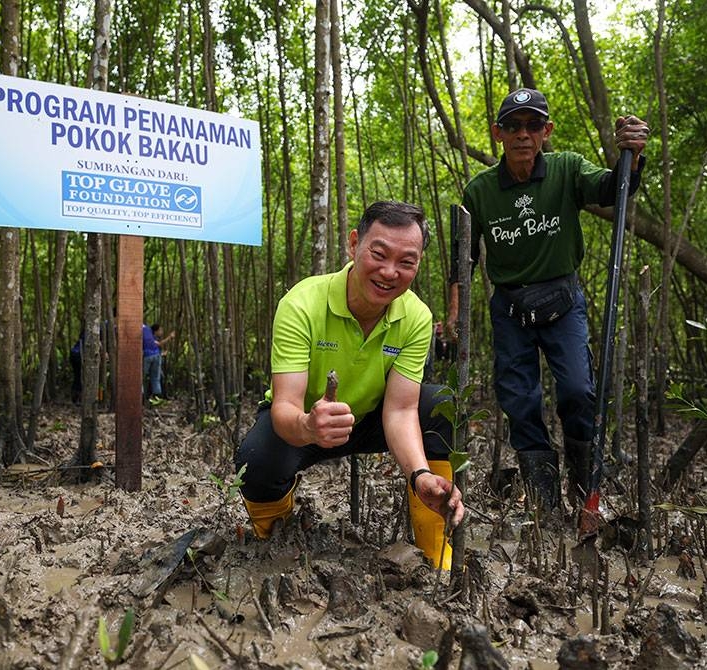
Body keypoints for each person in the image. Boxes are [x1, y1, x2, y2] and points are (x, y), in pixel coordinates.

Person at [234, 200, 465, 569]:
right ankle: (275, 542)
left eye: (406, 262)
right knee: (256, 459)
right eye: (379, 254)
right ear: (353, 244)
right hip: (304, 423)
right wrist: (310, 425)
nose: (389, 272)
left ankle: (437, 552)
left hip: (373, 418)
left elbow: (402, 410)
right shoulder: (302, 303)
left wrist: (419, 474)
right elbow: (285, 407)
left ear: (418, 263)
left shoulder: (417, 316)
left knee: (440, 404)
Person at [447, 88, 649, 511]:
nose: (523, 134)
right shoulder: (479, 191)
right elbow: (461, 259)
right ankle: (545, 505)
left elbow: (612, 188)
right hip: (510, 307)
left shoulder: (567, 169)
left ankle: (582, 486)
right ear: (497, 133)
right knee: (520, 403)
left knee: (577, 390)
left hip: (563, 301)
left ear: (547, 131)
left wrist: (632, 155)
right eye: (513, 126)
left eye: (533, 125)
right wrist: (453, 317)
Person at [143, 323, 175, 399]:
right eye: (160, 330)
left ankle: (149, 395)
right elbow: (159, 344)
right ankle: (155, 396)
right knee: (155, 377)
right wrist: (170, 337)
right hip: (152, 356)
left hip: (151, 356)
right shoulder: (147, 332)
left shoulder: (148, 332)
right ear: (156, 331)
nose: (162, 332)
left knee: (146, 376)